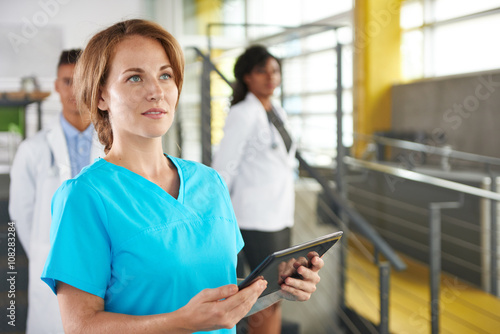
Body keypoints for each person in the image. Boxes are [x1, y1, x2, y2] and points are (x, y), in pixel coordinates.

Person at [40, 19, 324, 334]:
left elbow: (216, 290)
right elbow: (80, 327)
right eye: (135, 77)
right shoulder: (86, 196)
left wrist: (274, 286)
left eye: (166, 75)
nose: (156, 91)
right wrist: (181, 322)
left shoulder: (210, 183)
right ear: (101, 96)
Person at [9, 49, 103, 334]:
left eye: (80, 80)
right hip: (51, 260)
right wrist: (44, 249)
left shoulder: (113, 146)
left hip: (101, 260)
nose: (74, 90)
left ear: (94, 83)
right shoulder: (33, 149)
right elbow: (21, 213)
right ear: (56, 86)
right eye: (66, 81)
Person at [212, 45, 297, 334]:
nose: (270, 77)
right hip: (254, 217)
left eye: (275, 71)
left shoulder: (276, 110)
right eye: (262, 71)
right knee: (266, 295)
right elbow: (224, 168)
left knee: (278, 293)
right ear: (247, 76)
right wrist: (215, 216)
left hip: (280, 214)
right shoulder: (243, 113)